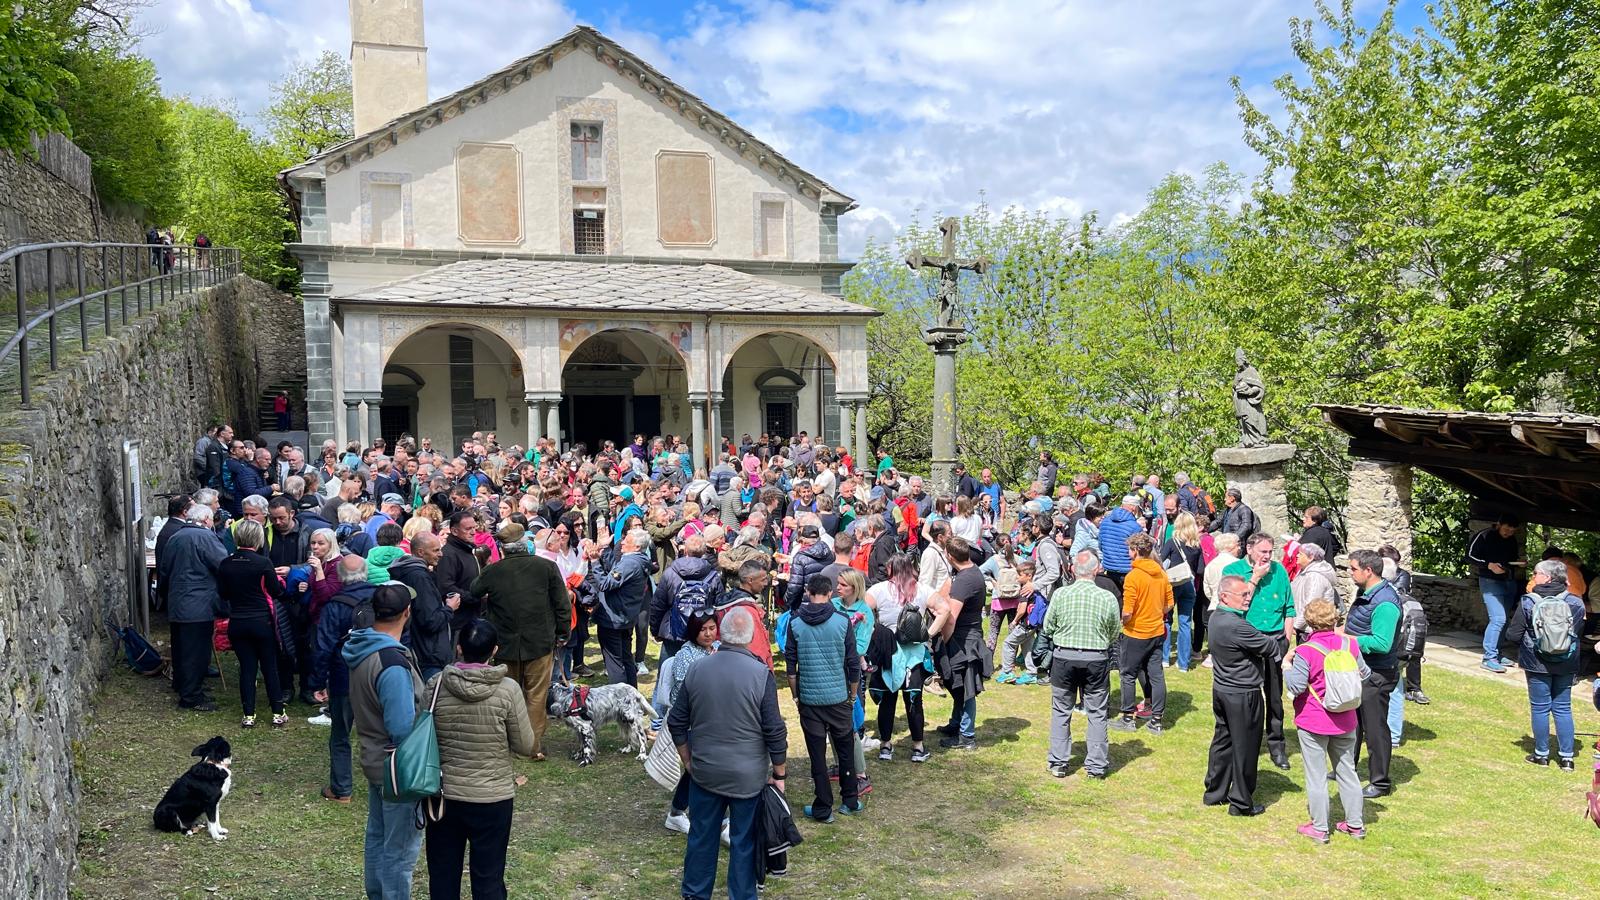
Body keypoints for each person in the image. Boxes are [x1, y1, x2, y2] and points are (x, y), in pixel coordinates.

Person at [669, 606, 787, 900]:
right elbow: (775, 730)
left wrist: (688, 759)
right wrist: (779, 773)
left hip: (705, 770)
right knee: (744, 841)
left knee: (701, 838)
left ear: (721, 632)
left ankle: (695, 894)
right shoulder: (761, 674)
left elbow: (676, 721)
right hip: (747, 777)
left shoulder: (697, 669)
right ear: (751, 636)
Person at [425, 618, 536, 900]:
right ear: (494, 650)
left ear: (459, 648)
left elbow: (422, 736)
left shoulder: (436, 686)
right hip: (492, 797)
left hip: (443, 795)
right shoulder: (508, 690)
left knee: (442, 875)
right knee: (489, 876)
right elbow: (525, 744)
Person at [343, 583, 425, 899]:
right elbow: (401, 726)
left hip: (376, 759)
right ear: (407, 612)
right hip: (398, 768)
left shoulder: (362, 646)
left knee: (378, 836)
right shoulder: (391, 662)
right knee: (400, 850)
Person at [470, 522, 570, 762]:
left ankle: (508, 744)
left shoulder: (494, 571)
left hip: (504, 644)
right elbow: (561, 603)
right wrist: (563, 632)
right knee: (536, 697)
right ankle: (532, 746)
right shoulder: (546, 567)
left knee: (506, 696)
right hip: (539, 643)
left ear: (503, 548)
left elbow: (474, 590)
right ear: (525, 544)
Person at [1286, 598, 1370, 843]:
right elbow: (1364, 673)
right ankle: (1355, 825)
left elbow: (1297, 686)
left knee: (1316, 775)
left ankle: (1320, 828)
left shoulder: (1306, 651)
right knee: (1348, 771)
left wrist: (1286, 666)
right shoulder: (1349, 645)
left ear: (1310, 623)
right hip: (1346, 718)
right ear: (1334, 619)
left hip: (1314, 720)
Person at [786, 573, 861, 822]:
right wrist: (852, 695)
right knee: (845, 750)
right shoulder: (842, 621)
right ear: (830, 594)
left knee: (817, 755)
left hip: (809, 698)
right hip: (839, 697)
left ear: (808, 592)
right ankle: (850, 799)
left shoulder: (795, 622)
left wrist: (796, 697)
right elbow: (852, 663)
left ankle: (823, 807)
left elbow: (790, 666)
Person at [1203, 575, 1279, 816]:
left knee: (1222, 741)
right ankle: (1241, 802)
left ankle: (1215, 791)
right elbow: (1270, 647)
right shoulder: (1237, 626)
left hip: (1222, 689)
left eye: (1248, 593)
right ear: (1224, 596)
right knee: (1245, 747)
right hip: (1243, 693)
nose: (1248, 599)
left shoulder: (1216, 618)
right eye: (1243, 595)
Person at [1042, 549, 1121, 779]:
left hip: (1064, 658)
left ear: (1073, 569)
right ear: (1096, 570)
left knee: (1061, 710)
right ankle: (1096, 766)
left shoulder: (1060, 595)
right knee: (1097, 712)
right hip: (1096, 659)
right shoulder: (1107, 597)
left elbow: (1048, 627)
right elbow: (1115, 632)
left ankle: (1058, 762)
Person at [1503, 559, 1587, 770]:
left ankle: (1541, 755)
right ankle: (1567, 758)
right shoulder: (1576, 602)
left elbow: (1513, 635)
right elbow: (1576, 634)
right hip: (1566, 663)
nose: (1533, 577)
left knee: (1540, 708)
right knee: (1563, 708)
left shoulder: (1529, 602)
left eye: (1535, 573)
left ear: (1547, 577)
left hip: (1536, 663)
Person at [309, 554, 377, 803]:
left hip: (344, 676)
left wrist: (316, 682)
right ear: (366, 572)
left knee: (340, 735)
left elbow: (323, 646)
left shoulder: (335, 606)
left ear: (339, 576)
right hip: (379, 673)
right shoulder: (382, 600)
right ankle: (388, 784)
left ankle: (342, 789)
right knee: (383, 733)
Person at [1224, 533, 1295, 770]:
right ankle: (1245, 742)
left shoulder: (1279, 571)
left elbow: (1289, 608)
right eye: (1263, 551)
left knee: (1274, 697)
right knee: (1248, 697)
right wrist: (1255, 577)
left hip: (1275, 640)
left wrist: (1286, 640)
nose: (1267, 556)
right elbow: (1237, 607)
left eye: (1270, 552)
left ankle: (1277, 745)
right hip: (1247, 641)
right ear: (1249, 549)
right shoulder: (1233, 572)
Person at [217, 520, 291, 728]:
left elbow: (223, 593)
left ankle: (248, 714)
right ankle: (277, 712)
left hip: (238, 621)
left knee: (247, 668)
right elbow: (276, 590)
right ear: (258, 539)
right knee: (269, 666)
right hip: (261, 620)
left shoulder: (226, 563)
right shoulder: (263, 563)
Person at [1345, 549, 1403, 799]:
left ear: (1369, 571)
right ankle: (1347, 769)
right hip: (1360, 669)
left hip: (1377, 673)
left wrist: (1347, 640)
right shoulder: (1367, 593)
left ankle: (1380, 782)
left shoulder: (1386, 603)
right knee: (1353, 723)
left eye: (1353, 569)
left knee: (1375, 728)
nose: (1350, 572)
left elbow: (1382, 643)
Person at [160, 503, 228, 711]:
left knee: (181, 648)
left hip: (178, 602)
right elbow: (222, 564)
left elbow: (165, 570)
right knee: (195, 653)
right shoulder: (206, 538)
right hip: (199, 603)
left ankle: (182, 685)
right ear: (207, 520)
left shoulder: (175, 537)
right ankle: (191, 696)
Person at [865, 554, 933, 764]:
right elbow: (945, 609)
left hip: (888, 652)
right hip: (914, 653)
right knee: (914, 700)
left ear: (891, 569)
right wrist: (928, 634)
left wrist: (874, 633)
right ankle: (918, 748)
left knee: (887, 701)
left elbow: (863, 613)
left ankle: (886, 746)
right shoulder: (922, 589)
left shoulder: (878, 590)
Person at [663, 612, 721, 833]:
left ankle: (678, 812)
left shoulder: (718, 650)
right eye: (703, 629)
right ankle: (686, 813)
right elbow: (686, 694)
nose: (708, 634)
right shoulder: (685, 656)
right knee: (697, 767)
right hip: (692, 722)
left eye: (712, 628)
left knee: (697, 769)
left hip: (713, 720)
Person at [1111, 533, 1173, 734]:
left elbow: (1128, 610)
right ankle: (1156, 720)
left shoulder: (1133, 576)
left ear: (1135, 550)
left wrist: (1123, 621)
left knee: (1128, 674)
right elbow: (1169, 605)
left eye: (1129, 550)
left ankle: (1128, 718)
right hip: (1157, 631)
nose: (1128, 554)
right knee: (1156, 675)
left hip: (1136, 633)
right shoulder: (1161, 574)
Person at [933, 537, 990, 750]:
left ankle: (967, 736)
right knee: (958, 686)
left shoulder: (965, 581)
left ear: (949, 556)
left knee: (966, 690)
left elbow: (950, 618)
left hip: (964, 642)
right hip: (968, 636)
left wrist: (945, 642)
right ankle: (956, 723)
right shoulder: (972, 572)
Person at [388, 531, 459, 681]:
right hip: (428, 655)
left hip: (419, 650)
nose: (441, 554)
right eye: (435, 550)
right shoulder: (419, 577)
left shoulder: (409, 572)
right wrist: (449, 608)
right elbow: (430, 621)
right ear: (420, 552)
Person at [586, 528, 653, 686]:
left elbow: (605, 583)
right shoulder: (639, 559)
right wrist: (605, 549)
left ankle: (620, 703)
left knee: (615, 664)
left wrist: (595, 561)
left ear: (637, 546)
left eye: (626, 541)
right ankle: (632, 697)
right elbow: (616, 570)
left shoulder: (630, 563)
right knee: (626, 659)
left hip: (613, 618)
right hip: (626, 617)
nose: (622, 542)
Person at [1467, 515, 1523, 672]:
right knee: (1498, 619)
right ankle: (1489, 657)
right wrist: (1488, 565)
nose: (1508, 533)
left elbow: (1511, 559)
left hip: (1508, 581)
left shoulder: (1511, 540)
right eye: (1506, 529)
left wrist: (1519, 562)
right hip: (1490, 582)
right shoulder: (1483, 536)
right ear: (1498, 524)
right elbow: (1469, 556)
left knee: (1504, 621)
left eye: (1512, 531)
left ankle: (1497, 654)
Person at [1159, 512, 1204, 671]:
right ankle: (1183, 663)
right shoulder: (1196, 545)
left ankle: (1164, 658)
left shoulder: (1172, 542)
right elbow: (1200, 569)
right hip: (1189, 583)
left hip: (1172, 583)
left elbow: (1159, 561)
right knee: (1185, 623)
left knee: (1166, 620)